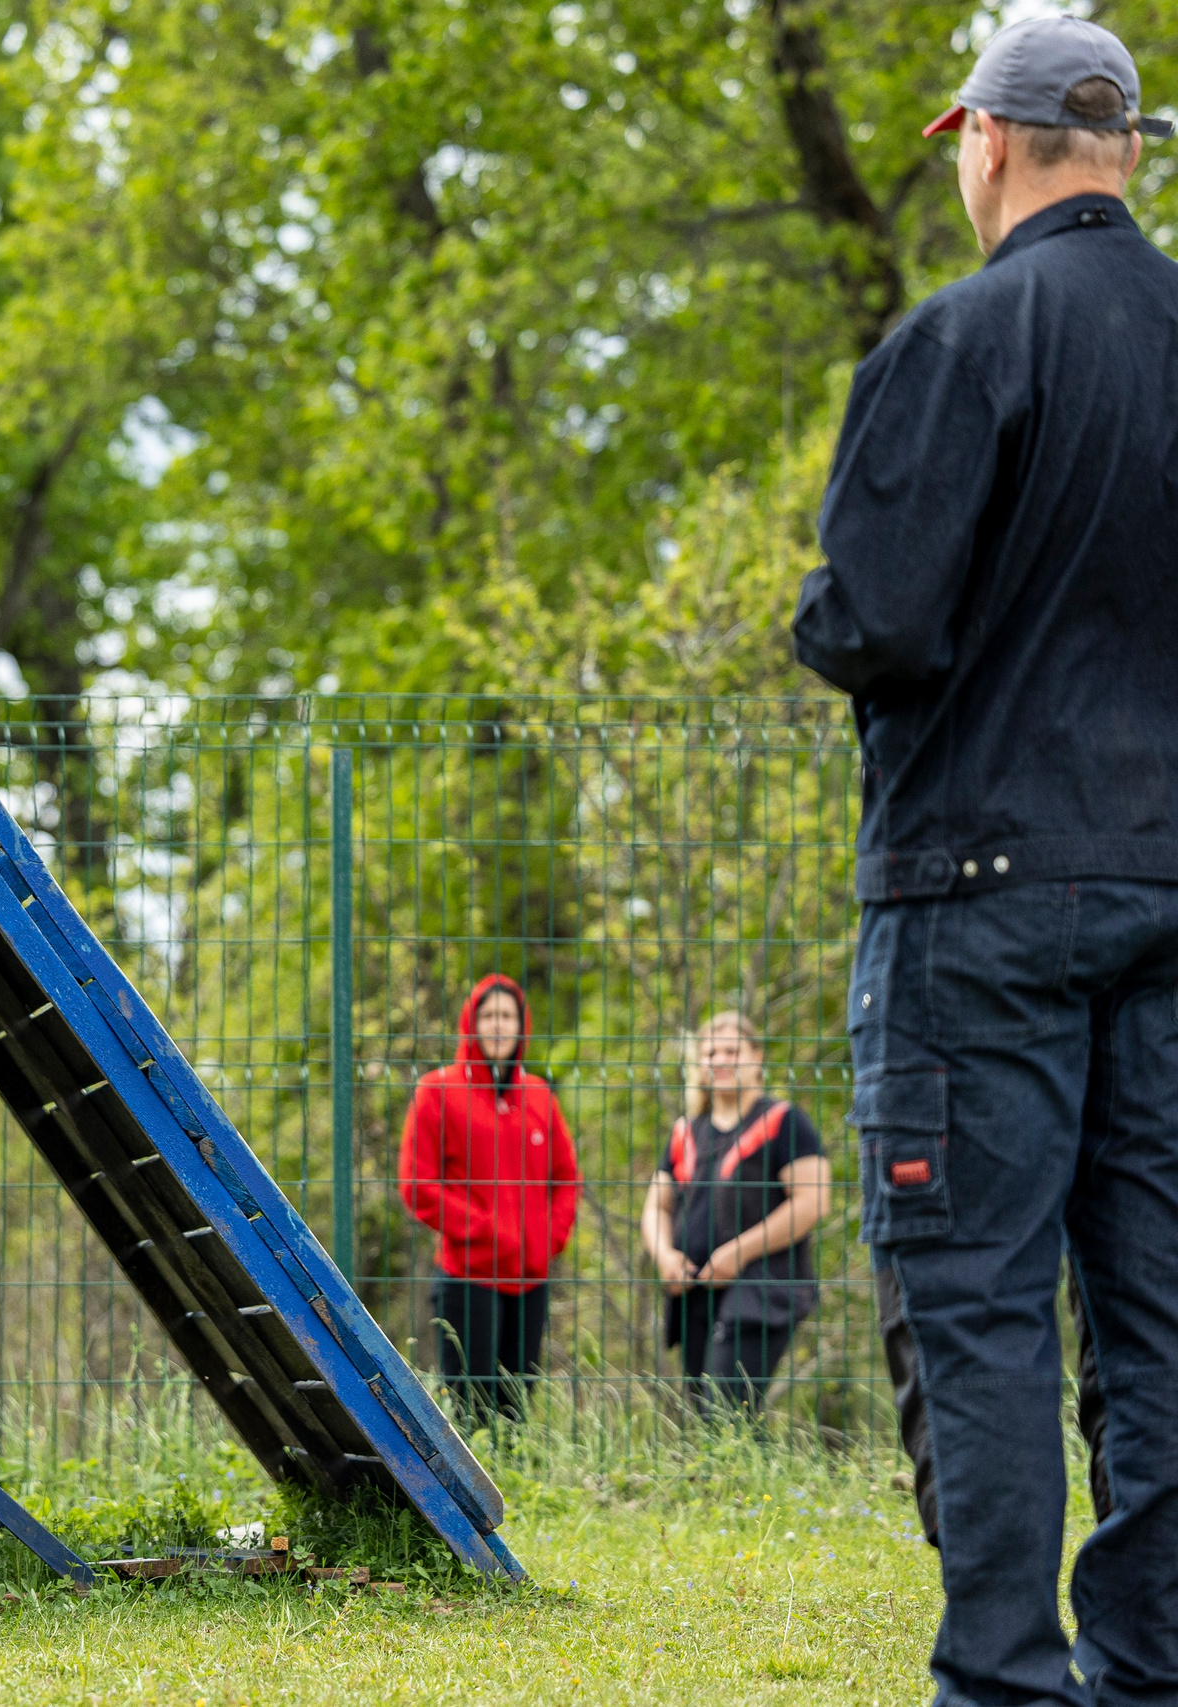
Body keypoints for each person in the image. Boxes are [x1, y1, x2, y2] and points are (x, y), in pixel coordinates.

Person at [790, 14, 1178, 1699]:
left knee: (982, 1308)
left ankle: (1006, 1679)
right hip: (1173, 891)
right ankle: (1154, 1669)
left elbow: (871, 621)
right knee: (1162, 1318)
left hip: (977, 902)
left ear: (987, 140)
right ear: (1132, 153)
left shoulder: (960, 344)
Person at [397, 974, 580, 1428]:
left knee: (515, 1413)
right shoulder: (438, 1092)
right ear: (471, 1023)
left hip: (530, 1279)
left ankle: (514, 1495)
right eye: (489, 1016)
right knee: (472, 1416)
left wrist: (548, 1239)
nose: (498, 1026)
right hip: (467, 1278)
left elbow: (566, 1177)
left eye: (508, 1016)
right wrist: (483, 1230)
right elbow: (417, 1184)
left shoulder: (538, 1096)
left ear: (522, 1026)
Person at [639, 1013, 828, 1416]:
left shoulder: (784, 1122)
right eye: (711, 1051)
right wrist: (664, 1256)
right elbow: (657, 1205)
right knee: (712, 1424)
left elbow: (813, 1203)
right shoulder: (686, 1132)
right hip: (694, 1294)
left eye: (732, 1050)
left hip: (762, 1290)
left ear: (756, 1058)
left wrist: (739, 1252)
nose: (721, 1059)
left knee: (724, 1414)